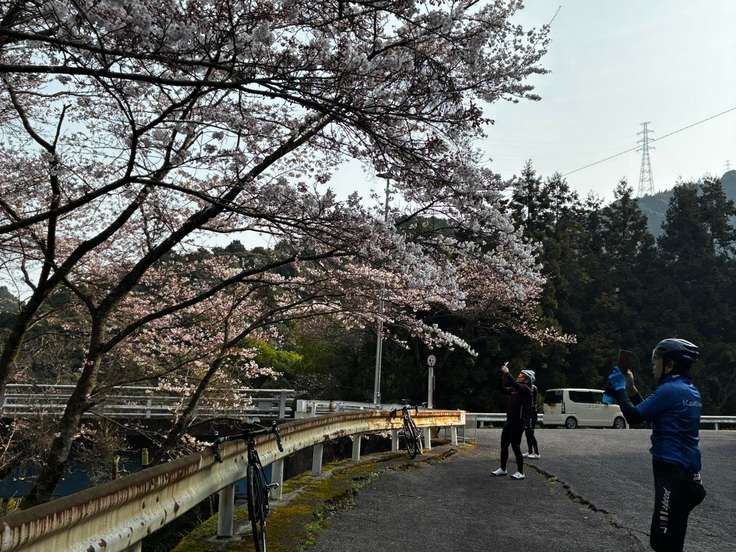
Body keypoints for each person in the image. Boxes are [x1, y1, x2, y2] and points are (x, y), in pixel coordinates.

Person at [607, 338, 706, 552]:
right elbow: (651, 415)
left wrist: (620, 388)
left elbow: (634, 417)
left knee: (662, 542)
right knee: (672, 540)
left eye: (656, 361)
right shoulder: (689, 390)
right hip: (687, 476)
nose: (653, 366)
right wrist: (632, 389)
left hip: (671, 474)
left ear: (669, 365)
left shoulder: (669, 390)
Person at [491, 364, 533, 480]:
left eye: (521, 375)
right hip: (509, 421)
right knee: (504, 445)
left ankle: (520, 472)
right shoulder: (515, 389)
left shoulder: (526, 389)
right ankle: (503, 469)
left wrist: (507, 373)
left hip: (519, 422)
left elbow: (515, 384)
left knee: (515, 446)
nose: (519, 376)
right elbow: (502, 389)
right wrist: (501, 376)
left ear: (527, 379)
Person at [523, 373, 540, 459]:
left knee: (530, 433)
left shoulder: (533, 388)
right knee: (527, 433)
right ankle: (530, 451)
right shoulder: (526, 386)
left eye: (526, 378)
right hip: (527, 413)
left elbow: (532, 402)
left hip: (532, 413)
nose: (525, 380)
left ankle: (537, 453)